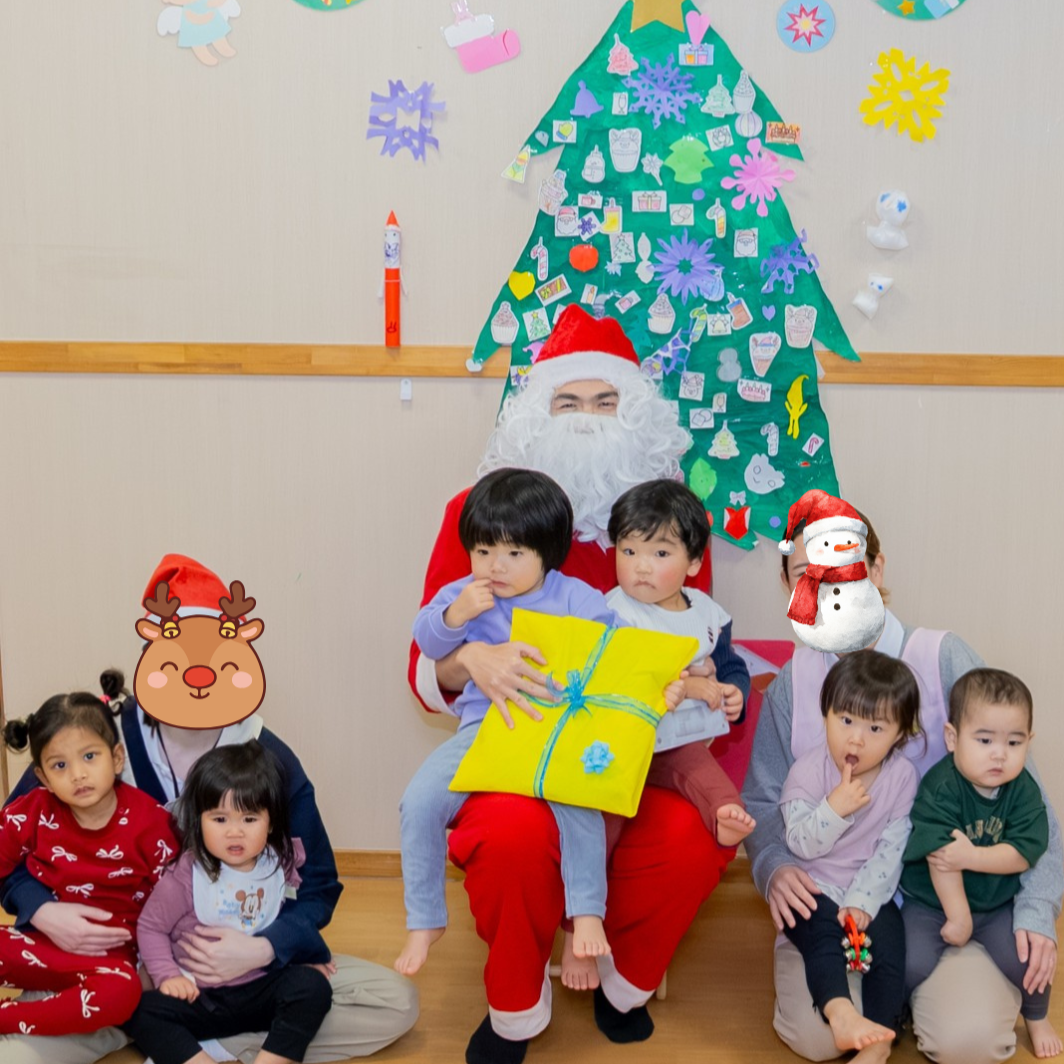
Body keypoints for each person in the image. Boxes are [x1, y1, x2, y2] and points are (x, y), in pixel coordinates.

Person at [411, 305, 735, 1064]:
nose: (586, 418)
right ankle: (516, 1002)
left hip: (632, 746)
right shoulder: (477, 514)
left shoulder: (671, 521)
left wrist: (711, 685)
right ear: (537, 412)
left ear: (634, 411)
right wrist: (473, 662)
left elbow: (692, 641)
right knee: (510, 835)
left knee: (694, 835)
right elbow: (425, 659)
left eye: (605, 400)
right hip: (515, 742)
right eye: (567, 401)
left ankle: (623, 980)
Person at [1, 555, 418, 1064]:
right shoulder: (92, 744)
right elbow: (12, 846)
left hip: (242, 969)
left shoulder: (267, 758)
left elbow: (319, 885)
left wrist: (268, 947)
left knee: (395, 1001)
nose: (196, 677)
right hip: (109, 966)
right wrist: (43, 909)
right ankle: (154, 1026)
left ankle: (191, 1041)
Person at [742, 511, 1064, 1064]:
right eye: (807, 577)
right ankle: (888, 1003)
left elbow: (1032, 806)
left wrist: (1036, 907)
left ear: (876, 569)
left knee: (968, 1043)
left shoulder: (943, 657)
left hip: (949, 901)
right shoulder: (793, 684)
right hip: (832, 896)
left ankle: (915, 998)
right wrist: (774, 866)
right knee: (820, 1038)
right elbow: (763, 800)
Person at [398, 468, 650, 977]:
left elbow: (611, 647)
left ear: (546, 553)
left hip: (555, 731)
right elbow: (426, 641)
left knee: (578, 805)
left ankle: (586, 914)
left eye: (514, 553)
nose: (496, 566)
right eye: (484, 550)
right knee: (418, 801)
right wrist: (454, 616)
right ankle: (424, 919)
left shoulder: (574, 596)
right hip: (483, 729)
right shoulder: (465, 594)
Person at [124, 741, 334, 1064]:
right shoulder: (187, 874)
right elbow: (151, 927)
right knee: (136, 1009)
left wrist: (310, 956)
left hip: (258, 988)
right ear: (199, 820)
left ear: (271, 822)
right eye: (220, 819)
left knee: (313, 988)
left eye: (249, 819)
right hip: (199, 996)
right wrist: (168, 976)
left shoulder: (278, 862)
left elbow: (290, 912)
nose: (235, 832)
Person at [901, 669, 1061, 1059]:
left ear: (1029, 743)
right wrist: (958, 917)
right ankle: (895, 1012)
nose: (999, 754)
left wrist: (974, 856)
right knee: (908, 960)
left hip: (995, 904)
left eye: (1014, 742)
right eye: (985, 740)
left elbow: (1024, 851)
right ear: (952, 738)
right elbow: (941, 858)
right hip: (932, 903)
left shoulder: (1023, 791)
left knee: (1028, 958)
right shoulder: (941, 786)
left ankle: (1036, 1017)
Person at [0, 690, 178, 1033]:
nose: (78, 775)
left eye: (90, 756)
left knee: (123, 994)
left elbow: (180, 904)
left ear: (117, 758)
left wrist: (158, 964)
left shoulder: (153, 826)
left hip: (111, 962)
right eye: (60, 765)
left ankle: (10, 1017)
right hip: (39, 943)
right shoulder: (34, 810)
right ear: (43, 777)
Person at [780, 651, 921, 1064]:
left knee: (891, 946)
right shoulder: (808, 771)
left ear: (899, 734)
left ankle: (879, 1042)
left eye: (875, 728)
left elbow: (892, 850)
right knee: (821, 935)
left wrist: (862, 901)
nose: (856, 739)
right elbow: (799, 842)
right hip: (814, 886)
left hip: (869, 891)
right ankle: (840, 1013)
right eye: (845, 720)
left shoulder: (902, 777)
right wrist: (833, 808)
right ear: (825, 715)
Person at [604, 479, 753, 848]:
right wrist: (687, 686)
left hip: (679, 741)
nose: (641, 567)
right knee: (604, 804)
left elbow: (730, 665)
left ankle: (724, 814)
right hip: (624, 743)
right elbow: (618, 681)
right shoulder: (613, 613)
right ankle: (592, 867)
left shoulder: (707, 614)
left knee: (700, 770)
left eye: (660, 553)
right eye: (629, 550)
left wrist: (735, 692)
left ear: (694, 561)